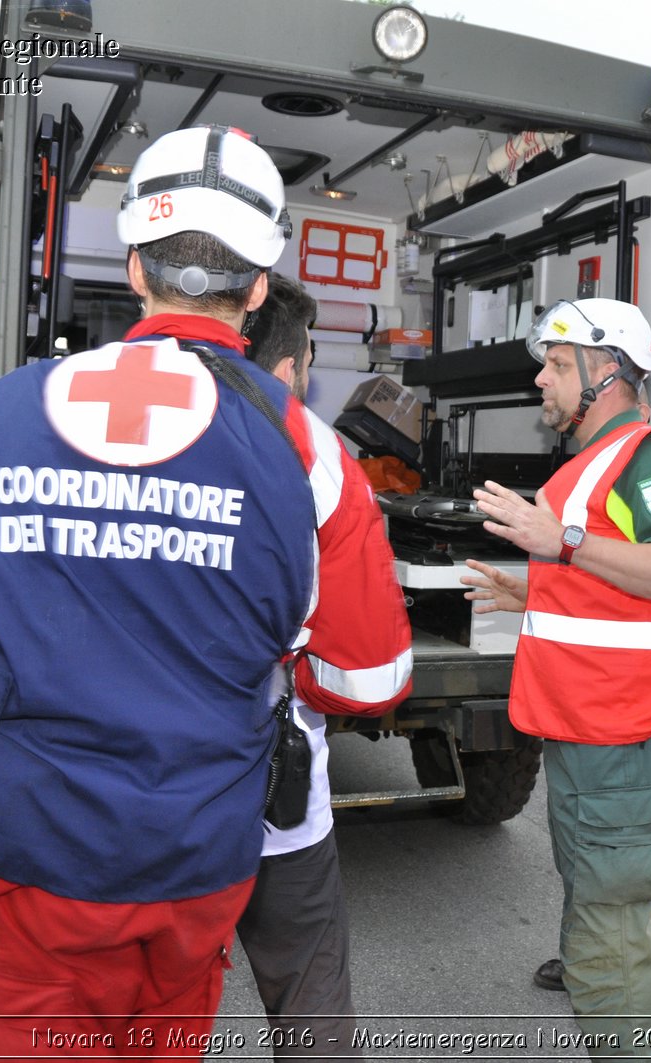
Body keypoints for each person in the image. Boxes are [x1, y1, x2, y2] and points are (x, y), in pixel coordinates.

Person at [0, 125, 412, 1059]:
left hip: (36, 845)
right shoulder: (314, 454)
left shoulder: (8, 412)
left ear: (132, 266)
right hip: (198, 853)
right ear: (255, 290)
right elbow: (365, 684)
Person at [461, 297, 651, 1058]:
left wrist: (562, 542)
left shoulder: (650, 459)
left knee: (609, 935)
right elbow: (612, 588)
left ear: (607, 373)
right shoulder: (595, 463)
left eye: (558, 365)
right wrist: (531, 589)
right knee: (595, 906)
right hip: (587, 732)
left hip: (624, 737)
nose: (542, 378)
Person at [238, 272, 369, 1059]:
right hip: (272, 798)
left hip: (126, 793)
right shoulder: (313, 458)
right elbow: (367, 670)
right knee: (310, 1001)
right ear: (289, 367)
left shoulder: (73, 423)